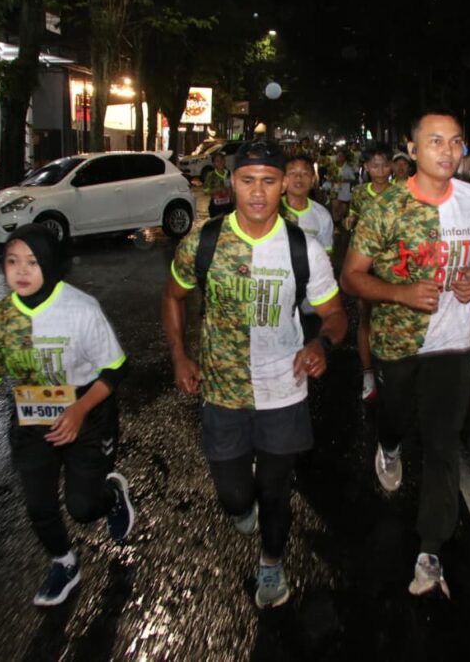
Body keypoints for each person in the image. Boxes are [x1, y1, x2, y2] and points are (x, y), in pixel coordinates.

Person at [162, 140, 347, 609]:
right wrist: (180, 356)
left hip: (283, 389)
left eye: (269, 180)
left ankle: (272, 562)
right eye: (248, 181)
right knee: (233, 496)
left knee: (275, 490)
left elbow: (336, 314)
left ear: (284, 185)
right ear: (233, 183)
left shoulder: (303, 249)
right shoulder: (203, 242)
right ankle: (243, 507)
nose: (259, 192)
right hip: (223, 391)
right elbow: (173, 296)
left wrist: (320, 344)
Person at [341, 110, 470, 598]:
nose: (447, 151)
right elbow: (351, 277)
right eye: (435, 141)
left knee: (443, 444)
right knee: (396, 416)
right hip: (398, 341)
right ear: (412, 148)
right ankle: (388, 444)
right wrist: (400, 294)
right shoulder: (385, 208)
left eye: (455, 141)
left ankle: (430, 550)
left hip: (452, 342)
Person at [0, 224, 135, 607]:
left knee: (82, 508)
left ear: (49, 263)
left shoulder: (80, 308)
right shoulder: (3, 316)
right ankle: (64, 562)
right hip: (31, 416)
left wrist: (78, 410)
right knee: (38, 505)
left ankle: (111, 496)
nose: (21, 271)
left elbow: (115, 370)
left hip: (87, 410)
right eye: (12, 261)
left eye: (32, 262)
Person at [347, 143, 403, 401]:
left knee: (393, 315)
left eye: (384, 164)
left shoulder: (401, 192)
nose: (380, 170)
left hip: (393, 263)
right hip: (366, 263)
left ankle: (391, 369)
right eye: (374, 165)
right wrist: (350, 221)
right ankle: (368, 371)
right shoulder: (359, 193)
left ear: (391, 166)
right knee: (366, 315)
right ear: (366, 167)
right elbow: (352, 216)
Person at [280, 153, 335, 341]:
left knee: (310, 343)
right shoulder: (272, 211)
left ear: (313, 180)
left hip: (310, 298)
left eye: (304, 173)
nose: (298, 178)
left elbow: (327, 257)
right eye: (292, 173)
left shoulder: (322, 215)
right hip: (278, 295)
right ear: (283, 179)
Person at [329, 149, 356, 224]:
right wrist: (331, 179)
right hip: (334, 190)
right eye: (338, 155)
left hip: (345, 191)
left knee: (343, 210)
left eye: (341, 156)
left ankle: (341, 221)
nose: (339, 157)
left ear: (344, 158)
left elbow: (353, 179)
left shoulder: (348, 168)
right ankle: (336, 224)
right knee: (335, 208)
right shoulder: (332, 167)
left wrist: (345, 180)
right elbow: (329, 177)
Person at [203, 152, 233, 219]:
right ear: (213, 163)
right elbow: (205, 190)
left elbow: (232, 187)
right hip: (216, 207)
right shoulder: (211, 175)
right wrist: (218, 190)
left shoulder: (229, 173)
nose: (220, 162)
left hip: (228, 206)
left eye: (222, 160)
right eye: (217, 161)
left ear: (224, 161)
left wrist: (230, 195)